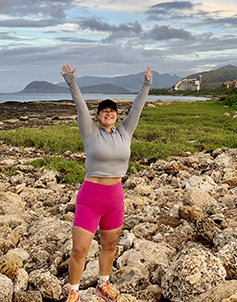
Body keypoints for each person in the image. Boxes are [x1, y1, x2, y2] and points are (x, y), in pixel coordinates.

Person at [60, 64, 153, 302]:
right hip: (90, 198)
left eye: (112, 111)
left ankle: (103, 284)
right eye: (104, 111)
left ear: (116, 115)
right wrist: (72, 82)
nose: (109, 113)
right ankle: (73, 292)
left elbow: (137, 108)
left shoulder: (125, 132)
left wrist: (147, 84)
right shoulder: (90, 132)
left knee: (109, 247)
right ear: (98, 116)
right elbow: (80, 105)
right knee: (79, 250)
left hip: (115, 198)